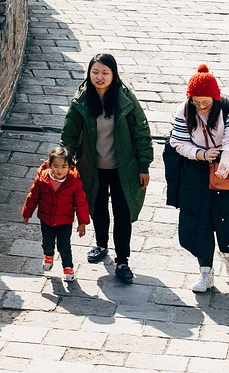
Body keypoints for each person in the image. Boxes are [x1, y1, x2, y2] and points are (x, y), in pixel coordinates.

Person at [60, 52, 153, 284]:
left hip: (124, 168)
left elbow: (142, 133)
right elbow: (69, 134)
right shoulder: (82, 100)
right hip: (93, 167)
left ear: (114, 74)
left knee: (122, 211)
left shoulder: (125, 99)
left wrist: (144, 165)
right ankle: (101, 245)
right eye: (95, 72)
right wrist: (64, 162)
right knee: (97, 207)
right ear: (89, 73)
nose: (99, 77)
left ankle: (122, 261)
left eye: (105, 73)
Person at [166, 63, 229, 292]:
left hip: (228, 164)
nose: (201, 107)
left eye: (206, 102)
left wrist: (224, 160)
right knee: (199, 221)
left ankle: (227, 254)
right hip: (195, 169)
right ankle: (205, 272)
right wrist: (201, 154)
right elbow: (177, 142)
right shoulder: (184, 110)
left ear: (215, 97)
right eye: (196, 102)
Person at [21, 145, 91, 281]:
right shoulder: (42, 179)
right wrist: (27, 213)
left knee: (64, 245)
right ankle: (48, 255)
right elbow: (33, 196)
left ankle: (68, 267)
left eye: (64, 167)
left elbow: (81, 203)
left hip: (65, 221)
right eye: (56, 166)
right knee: (47, 243)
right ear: (49, 165)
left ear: (70, 167)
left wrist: (82, 222)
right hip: (46, 219)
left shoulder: (74, 182)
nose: (59, 170)